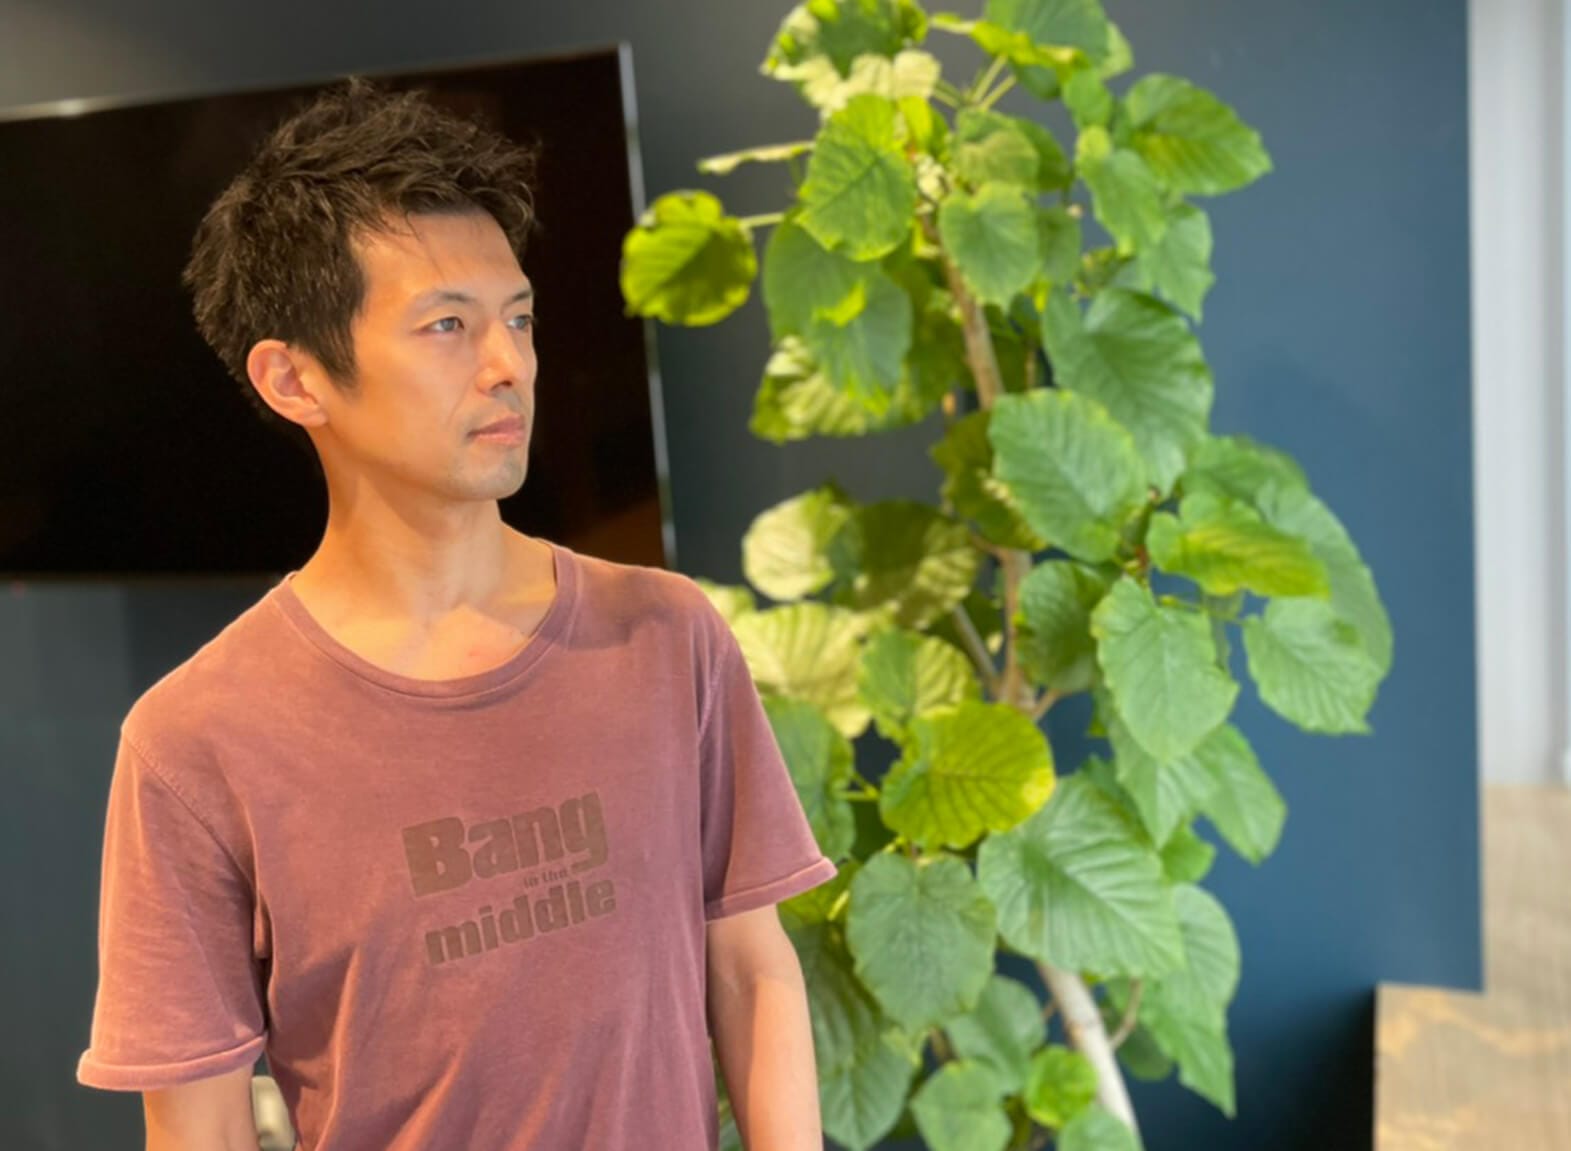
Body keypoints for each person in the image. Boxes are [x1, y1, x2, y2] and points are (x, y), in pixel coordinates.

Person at [74, 75, 837, 1151]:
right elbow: (197, 1128)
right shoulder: (194, 741)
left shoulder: (667, 636)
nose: (507, 365)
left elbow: (752, 970)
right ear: (294, 380)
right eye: (446, 325)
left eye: (518, 318)